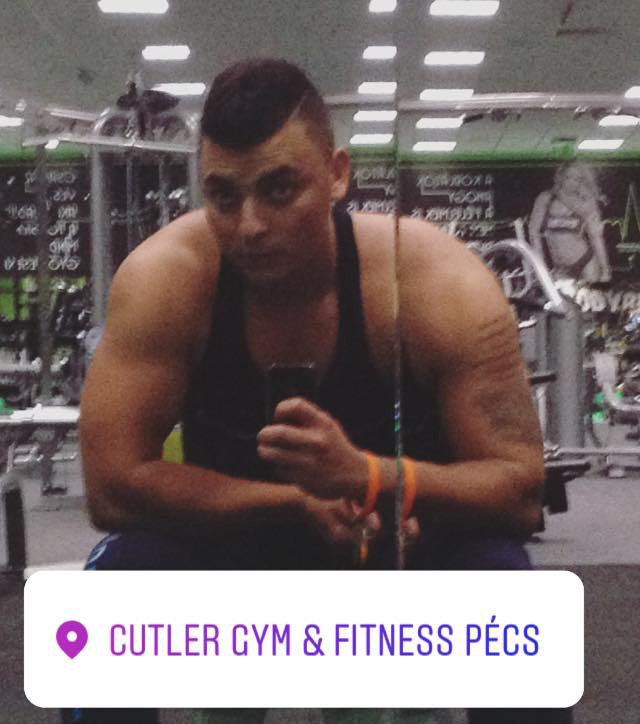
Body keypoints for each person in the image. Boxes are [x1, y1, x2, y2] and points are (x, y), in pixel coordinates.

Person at [70, 59, 560, 724]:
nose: (249, 225)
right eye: (223, 196)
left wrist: (370, 475)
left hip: (398, 547)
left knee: (514, 600)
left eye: (279, 189)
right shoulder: (168, 279)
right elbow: (112, 488)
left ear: (336, 174)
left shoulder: (433, 281)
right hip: (236, 543)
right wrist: (295, 502)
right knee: (109, 590)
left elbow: (521, 491)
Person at [529, 162, 611, 283]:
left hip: (586, 261)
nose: (572, 182)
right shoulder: (546, 199)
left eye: (577, 179)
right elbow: (533, 233)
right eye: (568, 177)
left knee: (590, 294)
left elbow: (596, 238)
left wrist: (605, 270)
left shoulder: (585, 204)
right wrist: (540, 267)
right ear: (560, 177)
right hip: (560, 267)